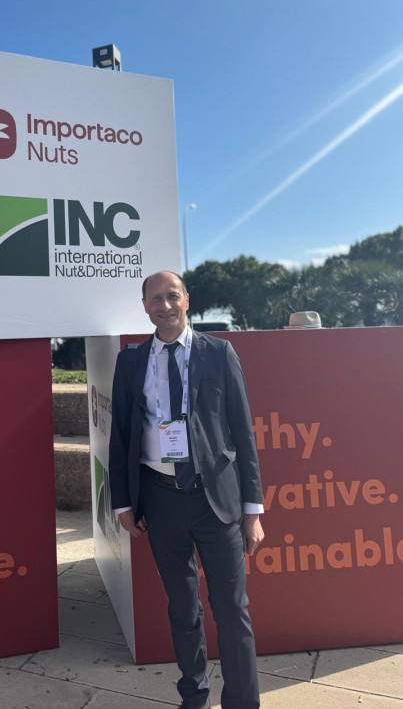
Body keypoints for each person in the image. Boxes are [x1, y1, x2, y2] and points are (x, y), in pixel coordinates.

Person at [109, 270, 265, 709]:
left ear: (187, 300)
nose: (165, 306)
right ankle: (194, 698)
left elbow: (243, 432)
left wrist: (253, 511)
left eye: (172, 296)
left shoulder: (219, 353)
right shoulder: (131, 361)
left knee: (231, 609)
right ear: (144, 306)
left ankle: (242, 703)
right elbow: (121, 436)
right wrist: (122, 503)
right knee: (182, 608)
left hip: (216, 501)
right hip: (159, 500)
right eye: (155, 299)